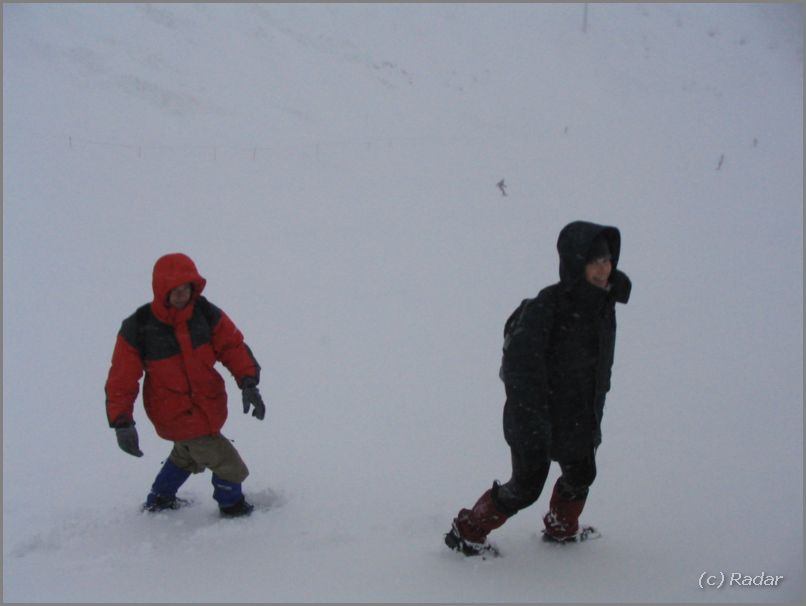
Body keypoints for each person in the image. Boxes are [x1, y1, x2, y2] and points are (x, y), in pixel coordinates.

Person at [445, 220, 632, 555]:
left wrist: (594, 408)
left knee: (581, 474)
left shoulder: (603, 306)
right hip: (534, 417)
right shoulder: (546, 309)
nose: (605, 269)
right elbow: (520, 373)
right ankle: (468, 532)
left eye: (607, 260)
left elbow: (599, 366)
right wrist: (534, 425)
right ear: (576, 263)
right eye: (595, 261)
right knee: (526, 488)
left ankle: (561, 529)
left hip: (578, 415)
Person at [105, 252, 266, 517]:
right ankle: (232, 507)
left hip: (207, 404)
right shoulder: (140, 327)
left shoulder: (204, 314)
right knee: (229, 465)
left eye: (186, 289)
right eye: (174, 290)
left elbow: (231, 346)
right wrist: (123, 422)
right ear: (161, 290)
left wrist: (248, 383)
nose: (181, 295)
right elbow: (121, 378)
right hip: (173, 411)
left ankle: (160, 498)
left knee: (185, 454)